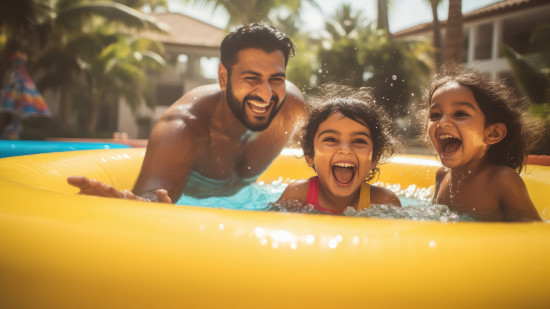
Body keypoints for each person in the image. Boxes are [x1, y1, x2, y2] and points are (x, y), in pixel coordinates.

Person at [68, 23, 306, 203]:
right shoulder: (183, 129)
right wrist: (136, 205)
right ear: (224, 77)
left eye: (276, 79)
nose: (266, 95)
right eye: (251, 78)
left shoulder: (290, 108)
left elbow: (321, 153)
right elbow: (152, 197)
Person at [424, 66, 542, 221]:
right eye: (435, 115)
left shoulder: (501, 180)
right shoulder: (442, 175)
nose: (442, 122)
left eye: (460, 114)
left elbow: (533, 232)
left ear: (493, 133)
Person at [276, 85, 401, 214]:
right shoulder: (298, 195)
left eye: (359, 141)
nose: (345, 150)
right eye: (331, 139)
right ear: (309, 154)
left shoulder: (382, 202)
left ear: (375, 158)